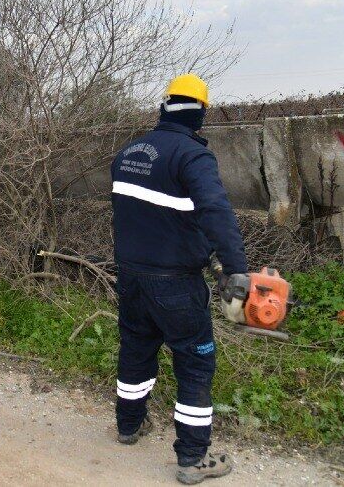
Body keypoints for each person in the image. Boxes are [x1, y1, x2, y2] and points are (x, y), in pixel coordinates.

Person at [110, 74, 247, 485]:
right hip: (174, 284)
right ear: (200, 114)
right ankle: (191, 460)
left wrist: (206, 254)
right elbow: (215, 211)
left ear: (164, 106)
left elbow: (152, 216)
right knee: (195, 363)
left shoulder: (128, 152)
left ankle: (129, 427)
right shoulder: (192, 156)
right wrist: (234, 266)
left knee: (136, 349)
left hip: (131, 278)